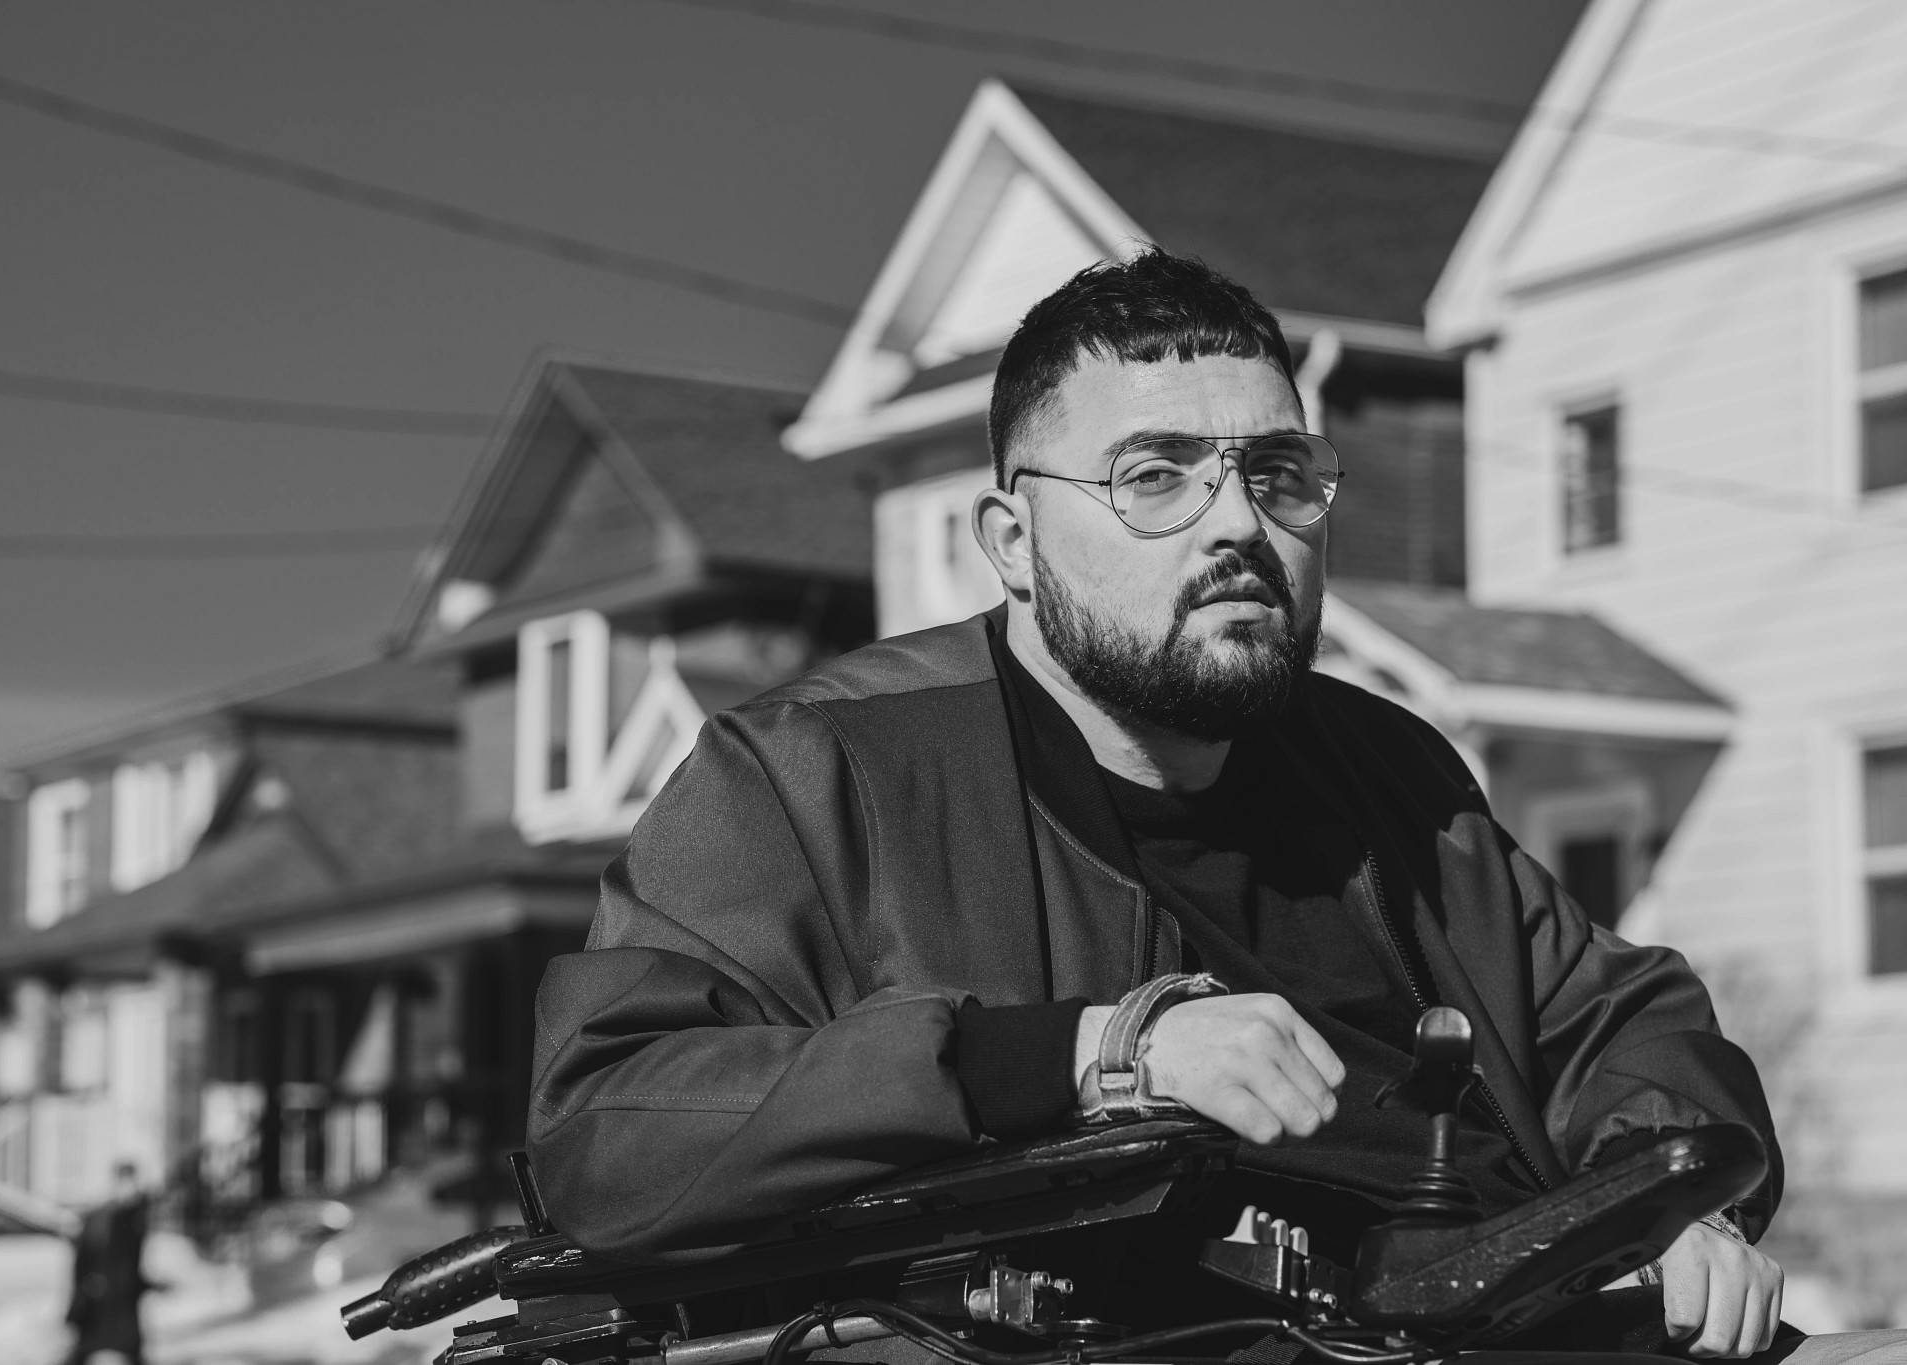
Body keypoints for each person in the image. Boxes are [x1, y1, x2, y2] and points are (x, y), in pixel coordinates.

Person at [528, 250, 1896, 1361]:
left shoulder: (1391, 778)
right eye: (1154, 476)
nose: (1235, 522)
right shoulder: (820, 772)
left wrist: (1655, 1205)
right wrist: (1088, 1055)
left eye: (1277, 475)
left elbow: (1615, 1014)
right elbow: (606, 1127)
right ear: (1011, 541)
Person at [65, 1161, 151, 1365]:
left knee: (130, 1347)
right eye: (125, 1181)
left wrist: (141, 1284)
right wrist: (87, 1289)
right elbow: (86, 1258)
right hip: (102, 1296)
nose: (129, 1189)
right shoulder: (102, 1217)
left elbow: (133, 1261)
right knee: (88, 1345)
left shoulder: (136, 1216)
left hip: (124, 1297)